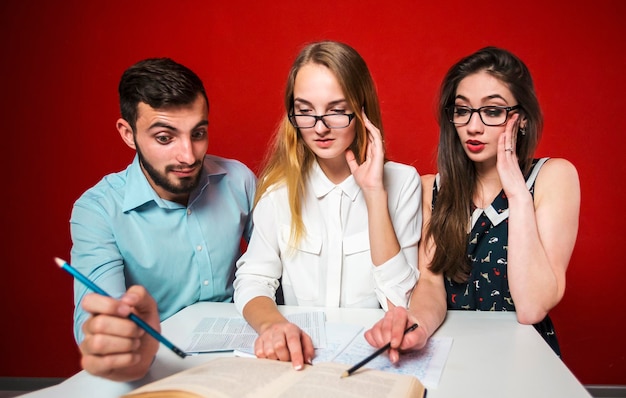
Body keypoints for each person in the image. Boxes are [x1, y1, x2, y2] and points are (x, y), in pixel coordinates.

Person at [364, 46, 580, 362]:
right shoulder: (432, 188)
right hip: (450, 351)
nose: (473, 126)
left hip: (523, 357)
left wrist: (517, 195)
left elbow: (532, 307)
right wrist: (419, 325)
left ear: (521, 119)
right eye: (462, 110)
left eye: (492, 111)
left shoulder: (552, 177)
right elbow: (431, 283)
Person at [233, 40, 422, 371]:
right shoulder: (277, 190)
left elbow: (401, 303)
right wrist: (272, 325)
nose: (320, 127)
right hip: (301, 362)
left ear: (363, 109)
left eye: (336, 110)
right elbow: (253, 279)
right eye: (305, 111)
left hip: (373, 361)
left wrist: (375, 193)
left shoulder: (403, 182)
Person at [69, 58, 256, 381]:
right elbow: (99, 318)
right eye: (165, 138)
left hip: (245, 355)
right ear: (128, 134)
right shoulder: (97, 210)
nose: (188, 155)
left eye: (198, 133)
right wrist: (117, 343)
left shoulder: (239, 179)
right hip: (157, 364)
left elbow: (276, 268)